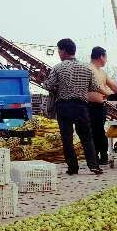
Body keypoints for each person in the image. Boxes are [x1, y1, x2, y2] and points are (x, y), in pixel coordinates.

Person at [44, 38, 104, 175]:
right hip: (81, 106)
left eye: (59, 50)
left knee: (67, 138)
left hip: (64, 106)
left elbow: (48, 85)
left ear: (63, 50)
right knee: (86, 136)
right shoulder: (86, 68)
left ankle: (73, 168)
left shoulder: (58, 67)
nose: (59, 53)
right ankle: (94, 166)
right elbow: (94, 87)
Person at [88, 47, 117, 165]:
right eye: (106, 57)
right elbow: (98, 87)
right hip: (88, 106)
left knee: (100, 131)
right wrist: (110, 94)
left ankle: (103, 155)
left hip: (100, 106)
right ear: (101, 56)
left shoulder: (102, 72)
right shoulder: (88, 69)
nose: (106, 60)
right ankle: (94, 155)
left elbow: (114, 86)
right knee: (91, 131)